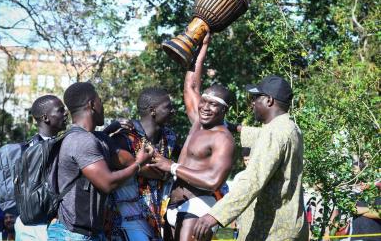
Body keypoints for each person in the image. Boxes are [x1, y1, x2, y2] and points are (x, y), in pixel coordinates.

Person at [193, 75, 309, 241]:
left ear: (269, 100)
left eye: (256, 98)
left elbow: (252, 180)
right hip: (288, 229)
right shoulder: (289, 128)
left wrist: (214, 216)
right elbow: (261, 137)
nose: (252, 103)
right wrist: (232, 127)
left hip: (273, 233)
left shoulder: (274, 133)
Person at [149, 34, 235, 241]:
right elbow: (191, 86)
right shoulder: (198, 121)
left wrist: (171, 166)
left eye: (213, 104)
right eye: (204, 101)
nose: (205, 107)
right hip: (174, 202)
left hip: (200, 204)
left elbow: (213, 181)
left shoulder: (223, 138)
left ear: (224, 111)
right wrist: (201, 46)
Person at [47, 82, 154, 240]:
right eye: (100, 101)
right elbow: (107, 183)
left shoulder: (88, 138)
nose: (102, 106)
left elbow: (99, 145)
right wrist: (138, 164)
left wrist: (108, 131)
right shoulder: (82, 141)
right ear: (91, 104)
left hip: (89, 233)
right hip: (73, 234)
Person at [104, 87, 179, 240]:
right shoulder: (125, 137)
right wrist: (164, 171)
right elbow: (116, 163)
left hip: (156, 218)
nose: (173, 111)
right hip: (127, 218)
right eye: (168, 106)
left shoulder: (169, 137)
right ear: (152, 110)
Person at [14, 95, 68, 241]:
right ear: (45, 118)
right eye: (60, 110)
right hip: (37, 227)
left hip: (41, 224)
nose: (66, 113)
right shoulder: (33, 150)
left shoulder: (31, 146)